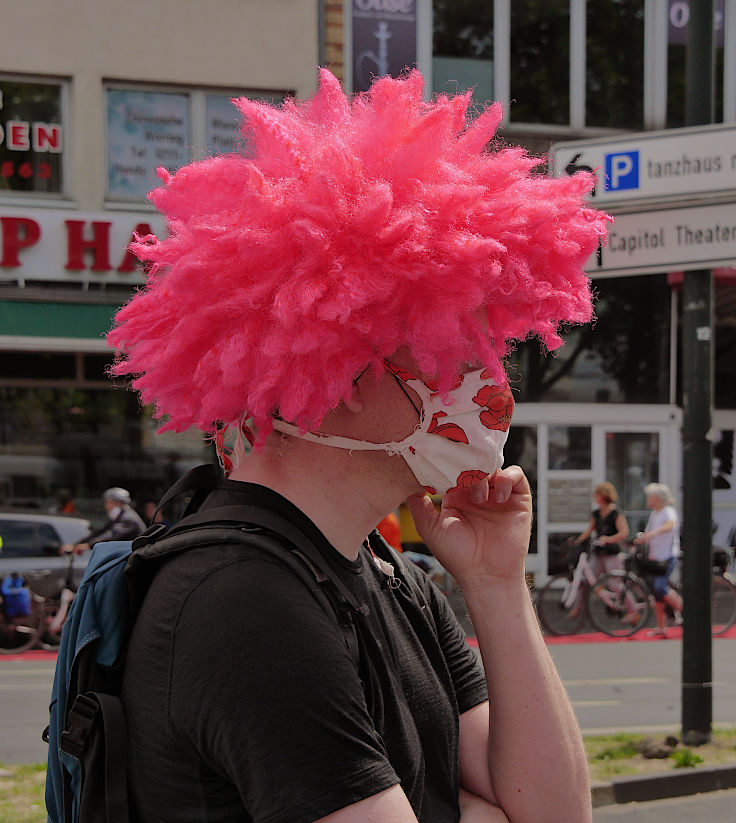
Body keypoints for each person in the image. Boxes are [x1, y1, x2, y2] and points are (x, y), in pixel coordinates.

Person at [107, 70, 608, 823]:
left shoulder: (386, 573)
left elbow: (557, 812)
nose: (483, 377)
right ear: (335, 368)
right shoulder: (246, 602)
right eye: (445, 344)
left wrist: (496, 583)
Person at [634, 483, 683, 637]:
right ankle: (661, 626)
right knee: (657, 593)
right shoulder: (654, 514)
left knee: (661, 588)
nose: (648, 499)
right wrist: (641, 539)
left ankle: (689, 613)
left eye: (650, 496)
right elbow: (649, 532)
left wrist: (653, 533)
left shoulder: (668, 512)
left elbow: (669, 525)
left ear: (657, 498)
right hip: (656, 557)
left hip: (667, 556)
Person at [569, 482, 629, 577]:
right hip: (599, 552)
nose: (594, 496)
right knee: (589, 578)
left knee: (614, 583)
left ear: (604, 495)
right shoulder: (596, 513)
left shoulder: (615, 513)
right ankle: (599, 592)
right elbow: (589, 530)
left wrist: (608, 539)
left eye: (597, 494)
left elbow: (624, 532)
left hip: (611, 553)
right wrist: (578, 540)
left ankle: (619, 592)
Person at [61, 487, 145, 554]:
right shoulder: (118, 517)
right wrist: (76, 545)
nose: (107, 506)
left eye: (109, 503)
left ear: (119, 503)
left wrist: (87, 545)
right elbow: (99, 532)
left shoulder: (128, 518)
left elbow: (111, 535)